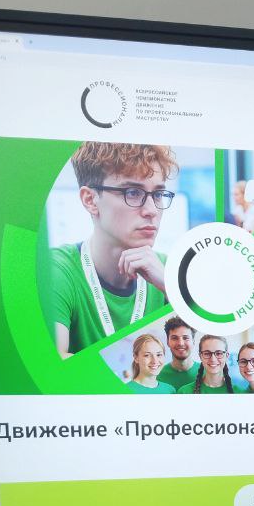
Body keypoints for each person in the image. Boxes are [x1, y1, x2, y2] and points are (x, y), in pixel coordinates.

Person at [45, 142, 178, 358]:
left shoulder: (169, 272)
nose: (152, 210)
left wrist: (172, 288)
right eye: (133, 193)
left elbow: (214, 355)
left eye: (158, 194)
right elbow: (51, 362)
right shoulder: (58, 270)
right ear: (90, 200)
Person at [157, 317, 198, 391]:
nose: (180, 343)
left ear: (193, 342)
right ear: (167, 342)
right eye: (174, 338)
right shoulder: (157, 376)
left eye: (185, 338)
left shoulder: (208, 373)